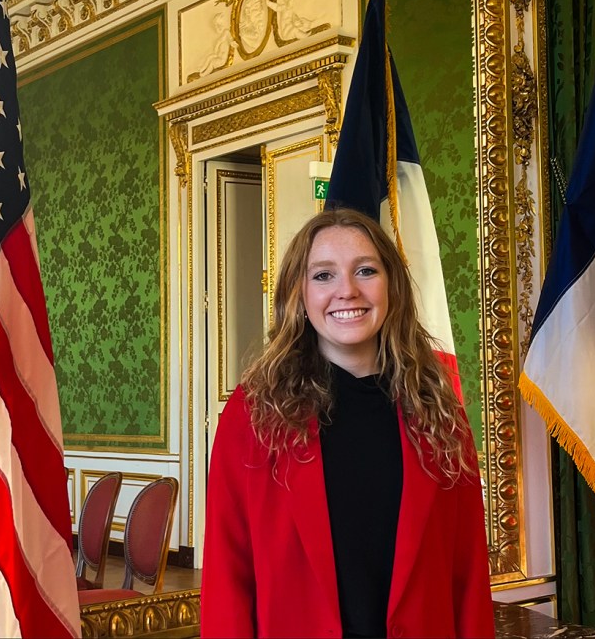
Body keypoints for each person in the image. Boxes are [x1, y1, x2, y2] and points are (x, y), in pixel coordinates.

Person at [200, 208, 494, 638]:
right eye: (323, 275)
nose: (348, 290)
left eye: (366, 270)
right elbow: (228, 574)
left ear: (391, 285)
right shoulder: (253, 415)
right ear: (298, 293)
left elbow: (468, 575)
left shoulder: (440, 411)